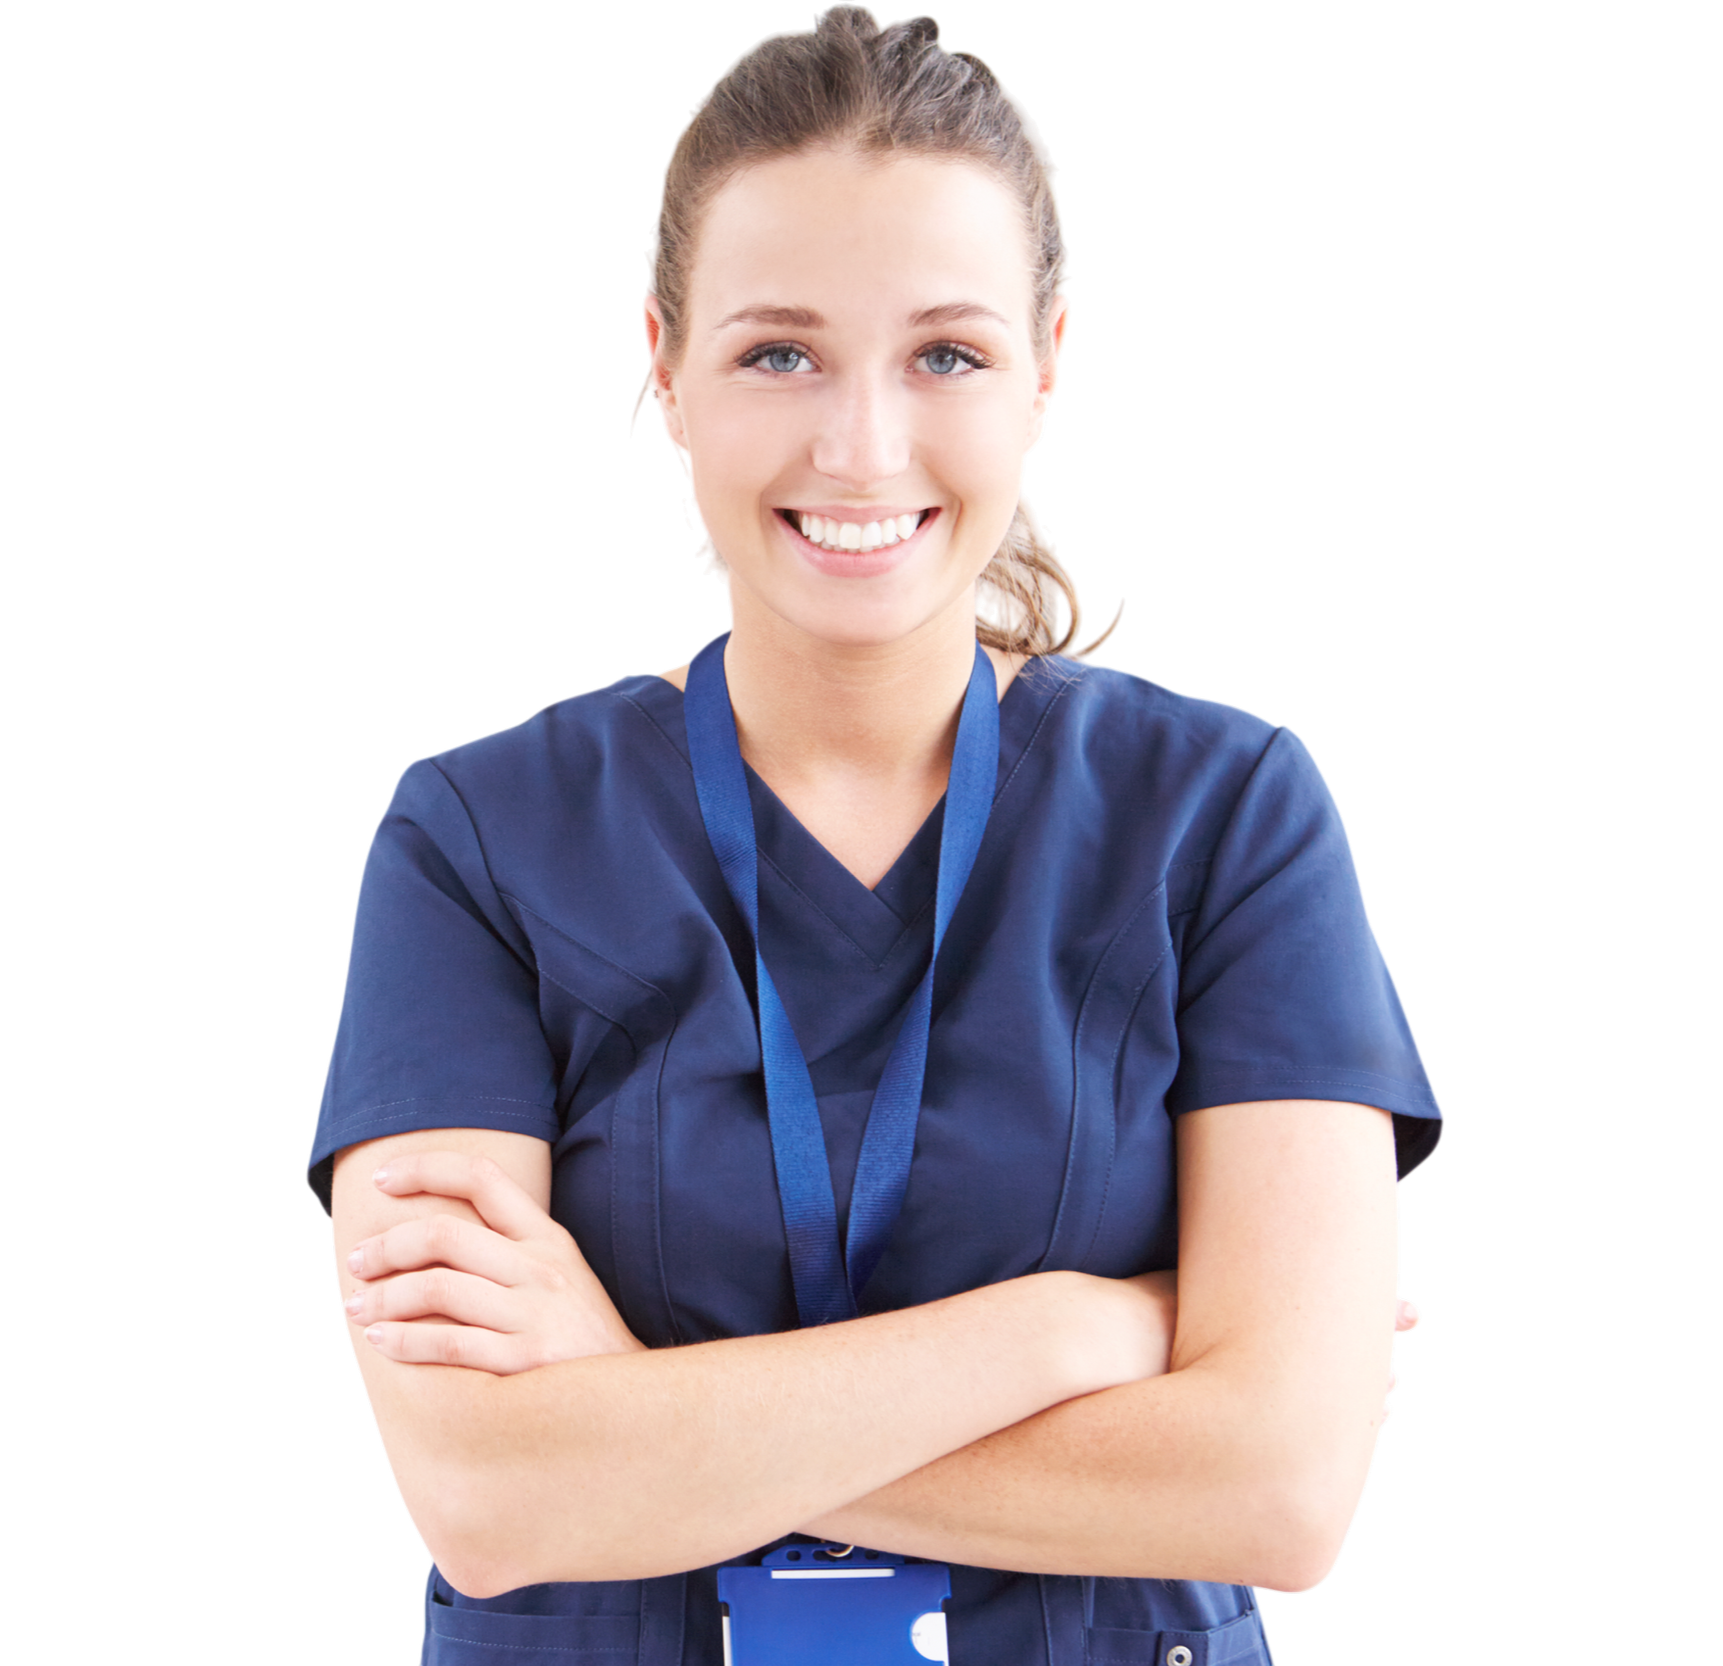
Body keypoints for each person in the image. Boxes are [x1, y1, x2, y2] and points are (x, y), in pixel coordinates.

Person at [306, 8, 1442, 1663]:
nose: (859, 447)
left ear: (1045, 368)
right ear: (663, 367)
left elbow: (1278, 1486)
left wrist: (639, 1419)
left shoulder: (1226, 813)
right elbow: (491, 1497)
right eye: (779, 351)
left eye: (946, 354)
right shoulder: (474, 837)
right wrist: (1082, 1329)